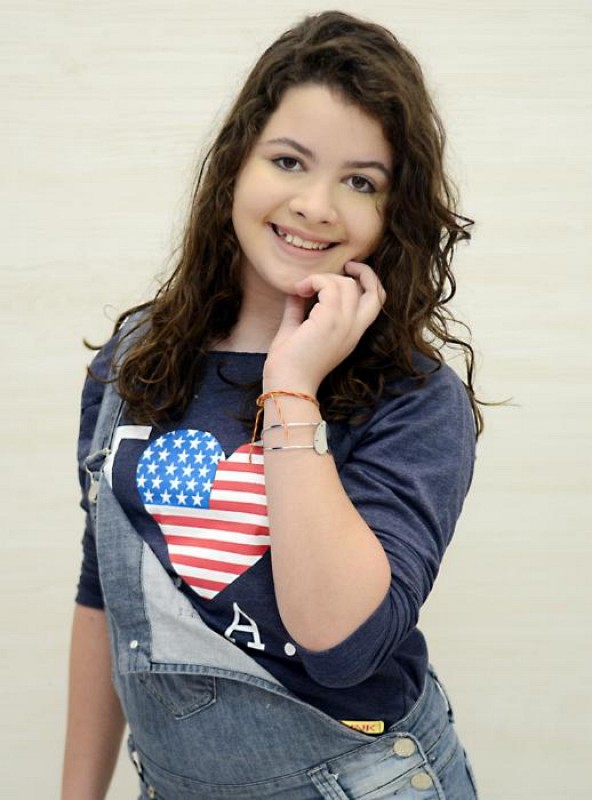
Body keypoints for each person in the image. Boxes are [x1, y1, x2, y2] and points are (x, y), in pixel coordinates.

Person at [62, 10, 481, 799]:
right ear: (236, 165)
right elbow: (107, 592)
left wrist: (290, 385)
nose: (317, 204)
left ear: (393, 215)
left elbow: (339, 644)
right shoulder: (135, 360)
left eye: (361, 181)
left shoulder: (416, 400)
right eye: (289, 161)